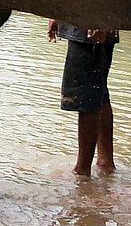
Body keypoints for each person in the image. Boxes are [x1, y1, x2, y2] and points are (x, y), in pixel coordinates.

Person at [48, 18, 118, 175]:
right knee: (99, 92)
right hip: (88, 22)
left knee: (87, 96)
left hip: (89, 24)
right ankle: (105, 164)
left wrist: (99, 19)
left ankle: (82, 171)